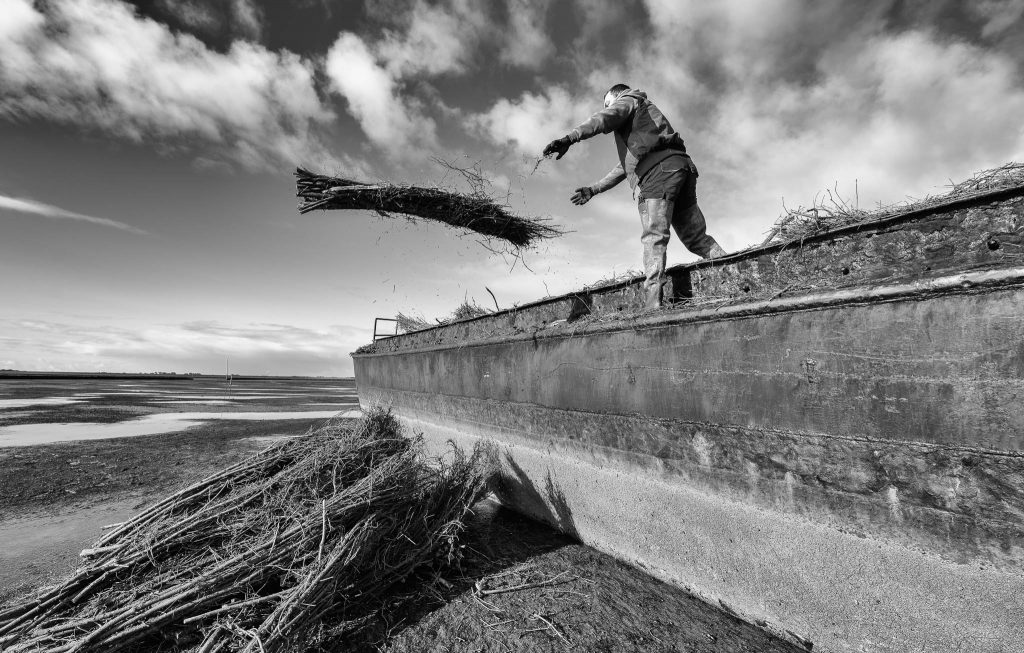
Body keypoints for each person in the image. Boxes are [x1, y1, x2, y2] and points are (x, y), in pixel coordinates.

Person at [543, 84, 727, 308]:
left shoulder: (629, 100)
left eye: (608, 104)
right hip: (681, 168)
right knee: (696, 238)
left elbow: (605, 118)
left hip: (658, 175)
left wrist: (570, 138)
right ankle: (733, 276)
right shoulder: (642, 126)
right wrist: (593, 189)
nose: (610, 109)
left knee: (654, 238)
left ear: (615, 98)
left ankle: (651, 308)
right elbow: (623, 168)